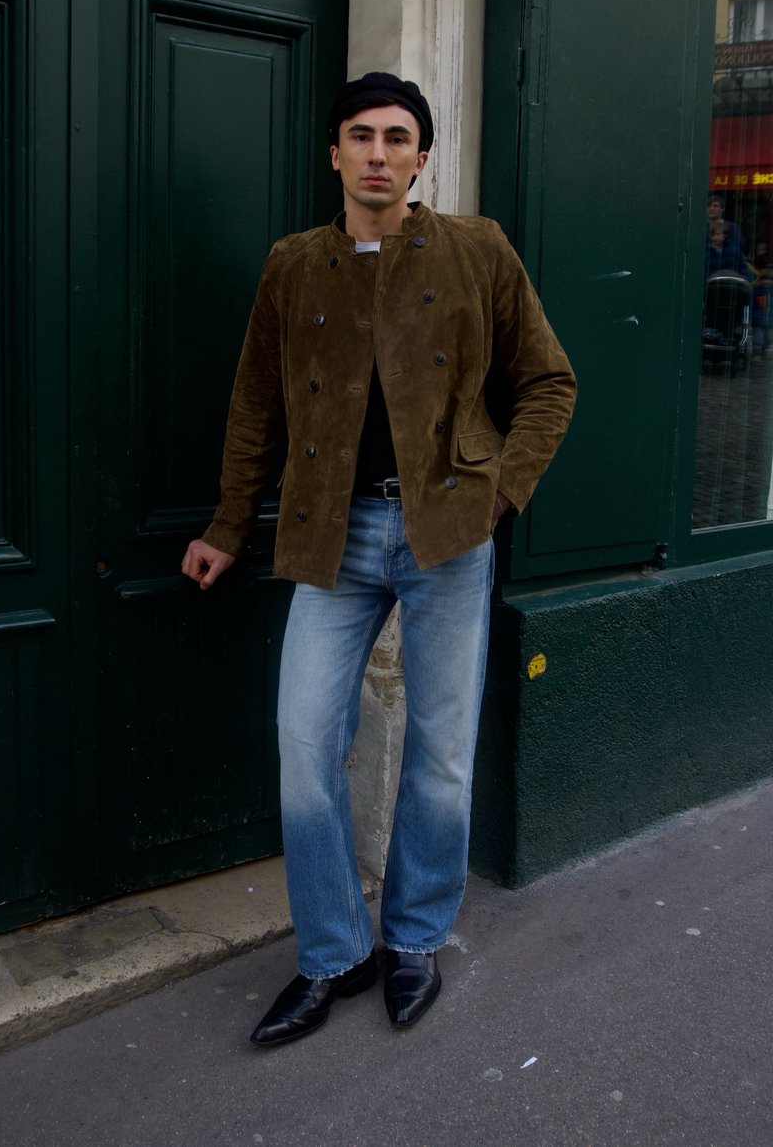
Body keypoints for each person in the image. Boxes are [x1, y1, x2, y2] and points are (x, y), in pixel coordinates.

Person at [181, 71, 576, 1047]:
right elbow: (254, 405)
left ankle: (413, 939)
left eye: (397, 137)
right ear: (334, 153)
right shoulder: (293, 265)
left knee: (440, 755)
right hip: (332, 533)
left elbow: (547, 381)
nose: (377, 153)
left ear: (420, 157)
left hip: (446, 535)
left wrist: (499, 489)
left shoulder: (476, 248)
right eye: (360, 135)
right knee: (304, 745)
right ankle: (333, 952)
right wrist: (227, 526)